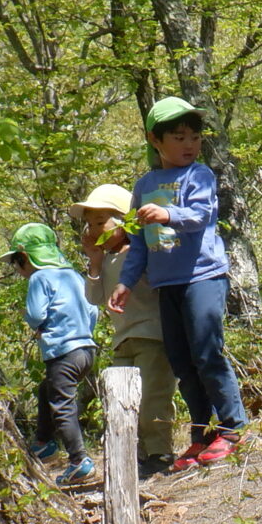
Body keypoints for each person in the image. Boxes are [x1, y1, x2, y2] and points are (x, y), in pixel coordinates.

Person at [108, 96, 248, 470]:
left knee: (206, 352)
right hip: (165, 284)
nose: (189, 145)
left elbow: (201, 215)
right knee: (182, 361)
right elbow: (138, 242)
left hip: (203, 276)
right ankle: (202, 434)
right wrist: (125, 282)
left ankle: (233, 427)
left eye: (194, 137)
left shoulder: (198, 175)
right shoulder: (144, 186)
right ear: (155, 140)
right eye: (179, 137)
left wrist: (168, 214)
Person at [75, 182, 178, 478]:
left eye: (101, 222)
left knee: (152, 398)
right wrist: (94, 263)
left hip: (151, 335)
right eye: (90, 224)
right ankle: (139, 455)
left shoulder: (140, 253)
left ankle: (160, 452)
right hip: (123, 340)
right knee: (123, 402)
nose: (94, 230)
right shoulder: (105, 259)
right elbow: (94, 298)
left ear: (123, 221)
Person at [6, 221, 99, 488]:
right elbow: (93, 310)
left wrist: (36, 324)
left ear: (25, 258)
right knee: (47, 389)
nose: (18, 270)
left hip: (62, 353)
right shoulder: (74, 276)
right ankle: (44, 442)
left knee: (62, 405)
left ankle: (79, 460)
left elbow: (36, 314)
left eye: (16, 263)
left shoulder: (39, 278)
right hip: (86, 350)